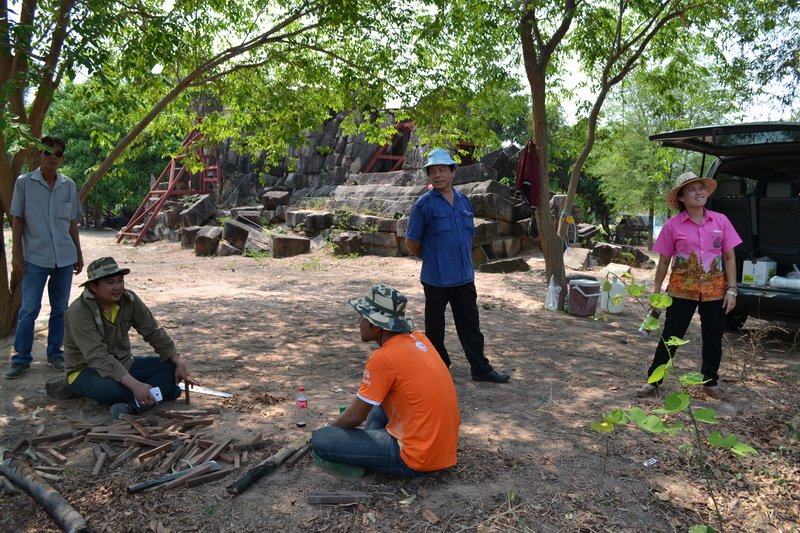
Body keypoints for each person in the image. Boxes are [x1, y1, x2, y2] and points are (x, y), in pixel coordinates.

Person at [311, 284, 460, 478]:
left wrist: (328, 428)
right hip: (442, 450)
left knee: (322, 439)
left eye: (363, 316)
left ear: (377, 325)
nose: (359, 321)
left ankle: (373, 451)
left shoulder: (384, 357)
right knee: (379, 400)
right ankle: (372, 445)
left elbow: (355, 417)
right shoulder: (419, 339)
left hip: (414, 458)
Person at [405, 148, 510, 383]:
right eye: (432, 171)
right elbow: (411, 241)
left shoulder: (463, 200)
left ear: (453, 172)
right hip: (436, 277)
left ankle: (480, 369)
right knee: (435, 329)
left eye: (442, 170)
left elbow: (467, 235)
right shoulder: (424, 205)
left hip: (464, 276)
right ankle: (438, 368)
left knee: (470, 325)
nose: (437, 175)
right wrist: (432, 259)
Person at [636, 172, 742, 400]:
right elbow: (664, 261)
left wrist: (732, 289)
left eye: (701, 188)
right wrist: (655, 291)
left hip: (715, 291)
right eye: (692, 189)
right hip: (680, 290)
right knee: (671, 337)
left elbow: (730, 258)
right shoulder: (673, 225)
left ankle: (710, 383)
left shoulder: (721, 221)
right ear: (682, 197)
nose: (699, 192)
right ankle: (653, 382)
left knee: (713, 337)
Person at [62, 257, 200, 418]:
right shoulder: (78, 312)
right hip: (86, 370)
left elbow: (153, 331)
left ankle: (133, 406)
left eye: (120, 281)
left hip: (124, 364)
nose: (117, 287)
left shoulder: (129, 299)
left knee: (171, 369)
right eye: (110, 282)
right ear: (93, 286)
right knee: (115, 390)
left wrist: (178, 361)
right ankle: (155, 395)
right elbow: (97, 357)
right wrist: (135, 385)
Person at [6, 136, 84, 379]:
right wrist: (17, 253)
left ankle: (55, 353)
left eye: (58, 153)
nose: (53, 156)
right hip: (35, 258)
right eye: (48, 152)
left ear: (62, 158)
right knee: (29, 309)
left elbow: (72, 222)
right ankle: (21, 359)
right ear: (38, 154)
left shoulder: (68, 184)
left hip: (64, 257)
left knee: (61, 308)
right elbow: (18, 219)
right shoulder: (24, 183)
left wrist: (79, 253)